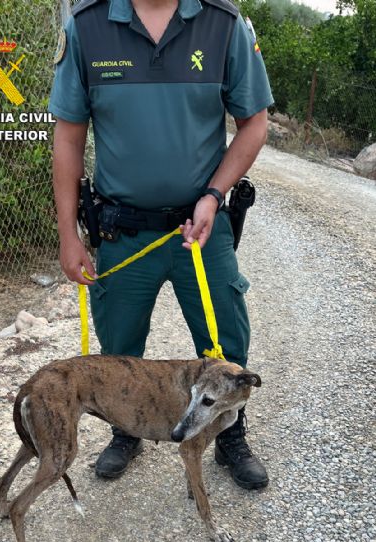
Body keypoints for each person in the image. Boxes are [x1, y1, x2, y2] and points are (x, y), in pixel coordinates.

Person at [49, 0, 274, 490]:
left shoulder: (224, 25)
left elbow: (254, 123)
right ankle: (125, 429)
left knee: (226, 344)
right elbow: (68, 135)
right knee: (119, 348)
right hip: (122, 234)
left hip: (201, 233)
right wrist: (68, 234)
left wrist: (215, 195)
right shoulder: (88, 27)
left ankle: (230, 435)